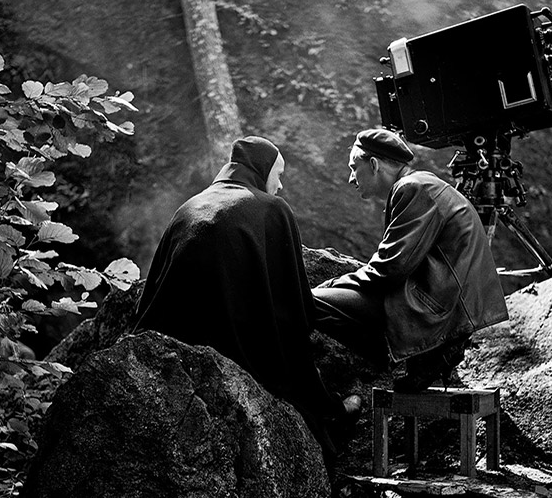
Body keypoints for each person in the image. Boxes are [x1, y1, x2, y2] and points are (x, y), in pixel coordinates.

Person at [134, 135, 358, 465]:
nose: (280, 186)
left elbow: (151, 296)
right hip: (240, 356)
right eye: (278, 175)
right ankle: (331, 410)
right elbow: (293, 307)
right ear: (261, 170)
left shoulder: (188, 208)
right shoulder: (272, 210)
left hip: (171, 350)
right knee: (291, 351)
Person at [312, 128, 509, 391]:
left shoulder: (412, 188)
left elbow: (390, 269)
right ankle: (419, 356)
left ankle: (414, 355)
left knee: (307, 301)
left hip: (437, 307)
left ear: (374, 164)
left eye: (354, 168)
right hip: (446, 302)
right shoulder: (422, 184)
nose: (351, 178)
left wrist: (334, 283)